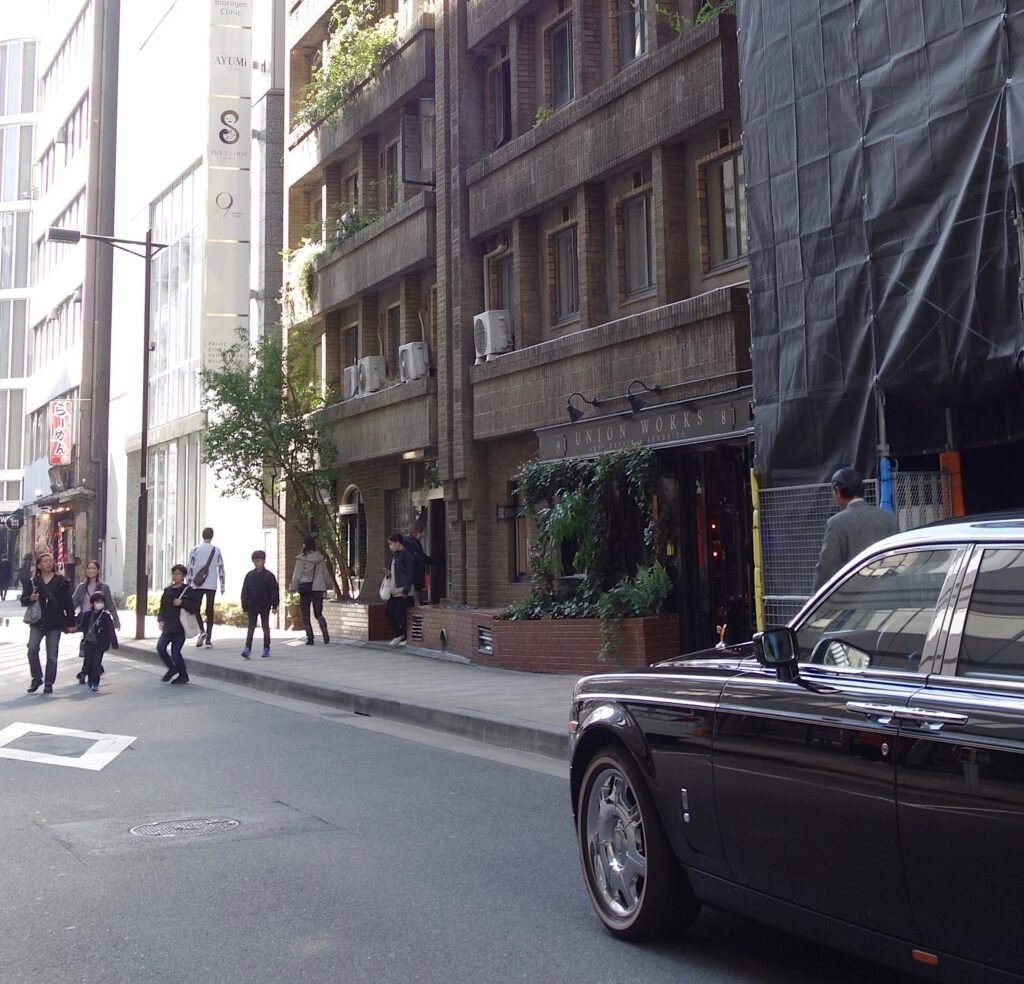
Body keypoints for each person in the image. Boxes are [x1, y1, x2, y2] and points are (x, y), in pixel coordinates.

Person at [813, 467, 900, 590]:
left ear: (837, 491)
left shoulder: (837, 523)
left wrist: (816, 600)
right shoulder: (890, 519)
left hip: (856, 599)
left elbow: (827, 568)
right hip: (890, 594)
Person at [21, 552, 77, 693]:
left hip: (55, 622)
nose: (49, 563)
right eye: (45, 561)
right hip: (38, 621)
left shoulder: (62, 581)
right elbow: (23, 600)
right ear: (39, 565)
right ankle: (36, 677)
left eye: (51, 561)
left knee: (52, 654)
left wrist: (71, 622)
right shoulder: (33, 581)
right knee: (32, 649)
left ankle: (49, 683)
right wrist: (30, 598)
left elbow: (68, 603)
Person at [72, 560, 120, 683]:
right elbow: (74, 602)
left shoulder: (103, 587)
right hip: (86, 619)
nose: (91, 571)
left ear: (98, 570)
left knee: (97, 644)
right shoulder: (82, 587)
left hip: (99, 620)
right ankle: (90, 669)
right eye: (89, 568)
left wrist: (116, 620)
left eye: (93, 568)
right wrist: (67, 618)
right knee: (88, 644)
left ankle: (91, 669)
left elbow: (109, 603)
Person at [157, 564, 200, 684]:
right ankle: (172, 668)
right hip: (168, 626)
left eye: (178, 574)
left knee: (176, 653)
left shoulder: (188, 591)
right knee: (160, 648)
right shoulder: (168, 591)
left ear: (184, 576)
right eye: (174, 574)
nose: (175, 576)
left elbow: (195, 607)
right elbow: (162, 608)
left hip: (181, 628)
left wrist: (182, 602)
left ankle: (183, 675)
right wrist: (161, 620)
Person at [186, 527, 225, 647]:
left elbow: (190, 567)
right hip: (211, 584)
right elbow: (221, 568)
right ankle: (208, 639)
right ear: (212, 536)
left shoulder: (195, 549)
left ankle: (202, 631)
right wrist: (222, 585)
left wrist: (188, 584)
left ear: (202, 535)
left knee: (196, 608)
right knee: (209, 610)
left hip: (197, 584)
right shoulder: (216, 550)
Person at [289, 535, 330, 646]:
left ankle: (310, 638)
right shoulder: (320, 558)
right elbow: (325, 573)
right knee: (318, 612)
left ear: (306, 545)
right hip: (318, 588)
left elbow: (297, 575)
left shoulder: (302, 558)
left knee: (305, 613)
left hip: (305, 588)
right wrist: (328, 585)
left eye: (303, 543)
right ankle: (322, 625)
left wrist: (292, 588)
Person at [240, 550, 280, 658]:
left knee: (265, 626)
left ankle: (266, 648)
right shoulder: (250, 575)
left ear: (263, 561)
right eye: (254, 561)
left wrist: (275, 605)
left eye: (258, 561)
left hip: (264, 604)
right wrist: (244, 604)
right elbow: (245, 590)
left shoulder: (269, 575)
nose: (256, 563)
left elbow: (274, 591)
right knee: (251, 626)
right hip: (252, 604)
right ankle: (247, 647)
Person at [77, 591, 118, 692]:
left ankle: (95, 683)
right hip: (88, 643)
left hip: (100, 644)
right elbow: (82, 627)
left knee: (96, 663)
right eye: (97, 601)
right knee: (89, 663)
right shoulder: (87, 615)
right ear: (92, 603)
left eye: (101, 602)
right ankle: (90, 680)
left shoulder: (105, 616)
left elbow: (111, 630)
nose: (99, 604)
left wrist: (114, 643)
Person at [383, 531, 416, 647]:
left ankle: (405, 636)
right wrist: (388, 574)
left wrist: (406, 589)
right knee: (388, 612)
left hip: (403, 590)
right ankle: (398, 634)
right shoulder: (395, 556)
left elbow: (410, 573)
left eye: (391, 543)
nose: (390, 546)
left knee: (401, 614)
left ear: (398, 543)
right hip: (394, 590)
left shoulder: (407, 555)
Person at [403, 521, 438, 606]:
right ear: (414, 532)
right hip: (411, 580)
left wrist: (435, 561)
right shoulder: (408, 542)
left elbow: (421, 557)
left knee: (415, 602)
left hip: (415, 579)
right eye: (421, 532)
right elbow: (419, 558)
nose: (422, 534)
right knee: (412, 603)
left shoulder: (415, 542)